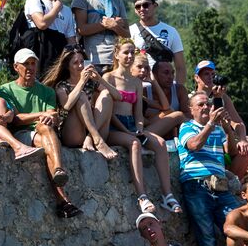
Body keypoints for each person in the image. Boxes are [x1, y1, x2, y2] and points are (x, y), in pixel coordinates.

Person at [0, 49, 82, 218]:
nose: (30, 67)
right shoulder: (5, 90)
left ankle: (62, 196)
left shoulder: (47, 91)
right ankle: (61, 192)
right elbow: (15, 119)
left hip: (43, 133)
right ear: (16, 67)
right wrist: (41, 116)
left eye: (33, 63)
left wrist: (51, 119)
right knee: (45, 129)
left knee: (45, 129)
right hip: (21, 134)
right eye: (25, 64)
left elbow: (53, 115)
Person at [177, 90, 241, 246]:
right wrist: (211, 124)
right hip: (197, 185)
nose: (206, 107)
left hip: (220, 187)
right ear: (191, 109)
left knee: (237, 227)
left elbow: (232, 151)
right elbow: (194, 146)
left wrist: (227, 128)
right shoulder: (186, 126)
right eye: (201, 105)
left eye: (208, 104)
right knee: (206, 236)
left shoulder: (216, 129)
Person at [104, 41, 180, 216]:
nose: (129, 56)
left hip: (131, 124)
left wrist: (138, 128)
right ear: (116, 54)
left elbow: (138, 114)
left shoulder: (136, 83)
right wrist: (127, 130)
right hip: (114, 127)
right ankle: (142, 196)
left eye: (132, 52)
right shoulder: (108, 77)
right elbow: (107, 112)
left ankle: (167, 195)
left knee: (160, 143)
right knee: (135, 144)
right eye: (126, 53)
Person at [42, 46, 117, 159]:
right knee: (80, 96)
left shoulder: (91, 82)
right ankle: (97, 139)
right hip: (72, 132)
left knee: (106, 95)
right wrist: (81, 82)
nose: (81, 66)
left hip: (90, 131)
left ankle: (91, 138)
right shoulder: (61, 86)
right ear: (68, 66)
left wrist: (99, 79)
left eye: (82, 61)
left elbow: (118, 96)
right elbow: (65, 108)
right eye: (75, 63)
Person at [192, 61, 248, 174]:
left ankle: (232, 184)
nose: (210, 77)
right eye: (206, 74)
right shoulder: (191, 98)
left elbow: (238, 123)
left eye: (213, 74)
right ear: (197, 78)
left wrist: (242, 139)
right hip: (202, 138)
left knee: (245, 149)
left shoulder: (223, 98)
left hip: (224, 140)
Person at [23, 0, 76, 66]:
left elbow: (71, 41)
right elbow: (42, 24)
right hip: (38, 59)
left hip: (58, 62)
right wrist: (56, 8)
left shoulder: (67, 10)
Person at [129, 0, 186, 78]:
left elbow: (180, 67)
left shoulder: (171, 31)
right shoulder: (130, 31)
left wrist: (177, 89)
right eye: (138, 6)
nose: (141, 9)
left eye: (145, 5)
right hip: (139, 84)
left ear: (155, 6)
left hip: (164, 84)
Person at [144, 58, 188, 139]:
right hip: (149, 133)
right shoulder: (145, 92)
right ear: (154, 75)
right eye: (166, 73)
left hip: (174, 134)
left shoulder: (180, 90)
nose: (171, 77)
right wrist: (167, 114)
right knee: (177, 114)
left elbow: (188, 115)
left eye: (172, 73)